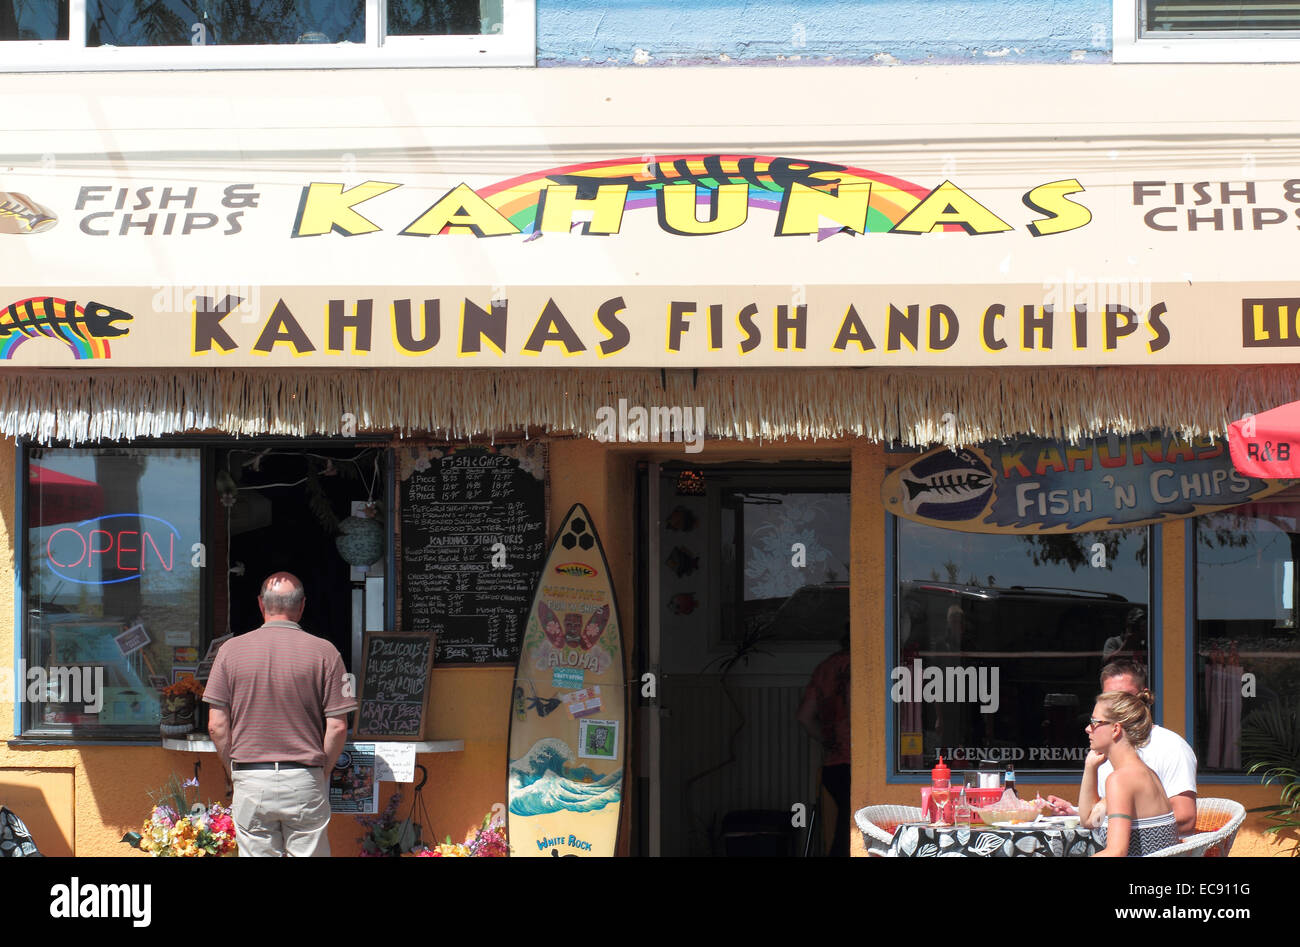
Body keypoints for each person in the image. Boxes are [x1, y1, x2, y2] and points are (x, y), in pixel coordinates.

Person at [204, 572, 356, 857]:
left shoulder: (229, 652)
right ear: (301, 606)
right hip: (304, 777)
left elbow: (216, 726)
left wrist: (232, 769)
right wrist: (321, 772)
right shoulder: (326, 652)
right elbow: (337, 727)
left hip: (251, 777)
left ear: (261, 605)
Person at [1047, 658, 1197, 836]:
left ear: (1143, 697)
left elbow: (1186, 819)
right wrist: (1074, 811)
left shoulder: (1170, 746)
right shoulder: (1108, 752)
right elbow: (1099, 817)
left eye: (1124, 697)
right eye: (1109, 698)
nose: (1115, 706)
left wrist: (1121, 828)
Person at [1082, 691, 1179, 856]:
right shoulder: (1144, 773)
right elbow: (1090, 820)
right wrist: (1090, 768)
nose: (1087, 729)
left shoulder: (1121, 780)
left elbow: (1116, 852)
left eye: (1094, 722)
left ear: (1115, 729)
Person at [797, 626, 850, 856]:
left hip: (833, 764)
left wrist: (829, 739)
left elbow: (804, 717)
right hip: (861, 764)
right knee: (852, 833)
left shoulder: (825, 668)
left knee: (844, 829)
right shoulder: (869, 664)